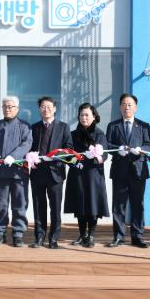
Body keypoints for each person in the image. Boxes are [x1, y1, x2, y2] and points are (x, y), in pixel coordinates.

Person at [106, 94, 150, 248]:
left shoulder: (144, 126)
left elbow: (149, 145)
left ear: (135, 107)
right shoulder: (113, 126)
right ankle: (118, 237)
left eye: (130, 104)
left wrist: (141, 149)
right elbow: (107, 145)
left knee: (138, 205)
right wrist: (117, 149)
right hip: (119, 170)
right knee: (118, 206)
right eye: (124, 104)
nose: (127, 107)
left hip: (138, 170)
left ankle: (137, 237)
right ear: (120, 107)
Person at [0, 96, 32, 247]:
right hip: (0, 172)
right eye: (5, 106)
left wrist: (14, 156)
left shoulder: (24, 126)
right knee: (0, 203)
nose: (8, 109)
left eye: (11, 106)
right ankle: (0, 232)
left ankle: (18, 233)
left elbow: (27, 144)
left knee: (20, 202)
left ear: (17, 109)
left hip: (18, 172)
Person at [29, 96, 72, 249]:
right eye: (42, 106)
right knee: (38, 207)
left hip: (55, 173)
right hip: (37, 173)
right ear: (39, 109)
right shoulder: (34, 127)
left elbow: (69, 148)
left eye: (48, 106)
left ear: (54, 109)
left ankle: (53, 238)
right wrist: (30, 158)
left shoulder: (63, 127)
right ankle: (39, 237)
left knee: (55, 208)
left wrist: (56, 155)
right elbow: (29, 148)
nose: (45, 109)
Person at [64, 103, 109, 248]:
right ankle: (82, 234)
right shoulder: (73, 134)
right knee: (80, 205)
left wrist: (97, 155)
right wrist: (74, 163)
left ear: (94, 117)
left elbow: (105, 154)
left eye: (87, 115)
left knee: (93, 205)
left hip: (94, 174)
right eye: (81, 115)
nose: (84, 118)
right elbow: (67, 154)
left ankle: (91, 235)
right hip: (78, 173)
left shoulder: (100, 134)